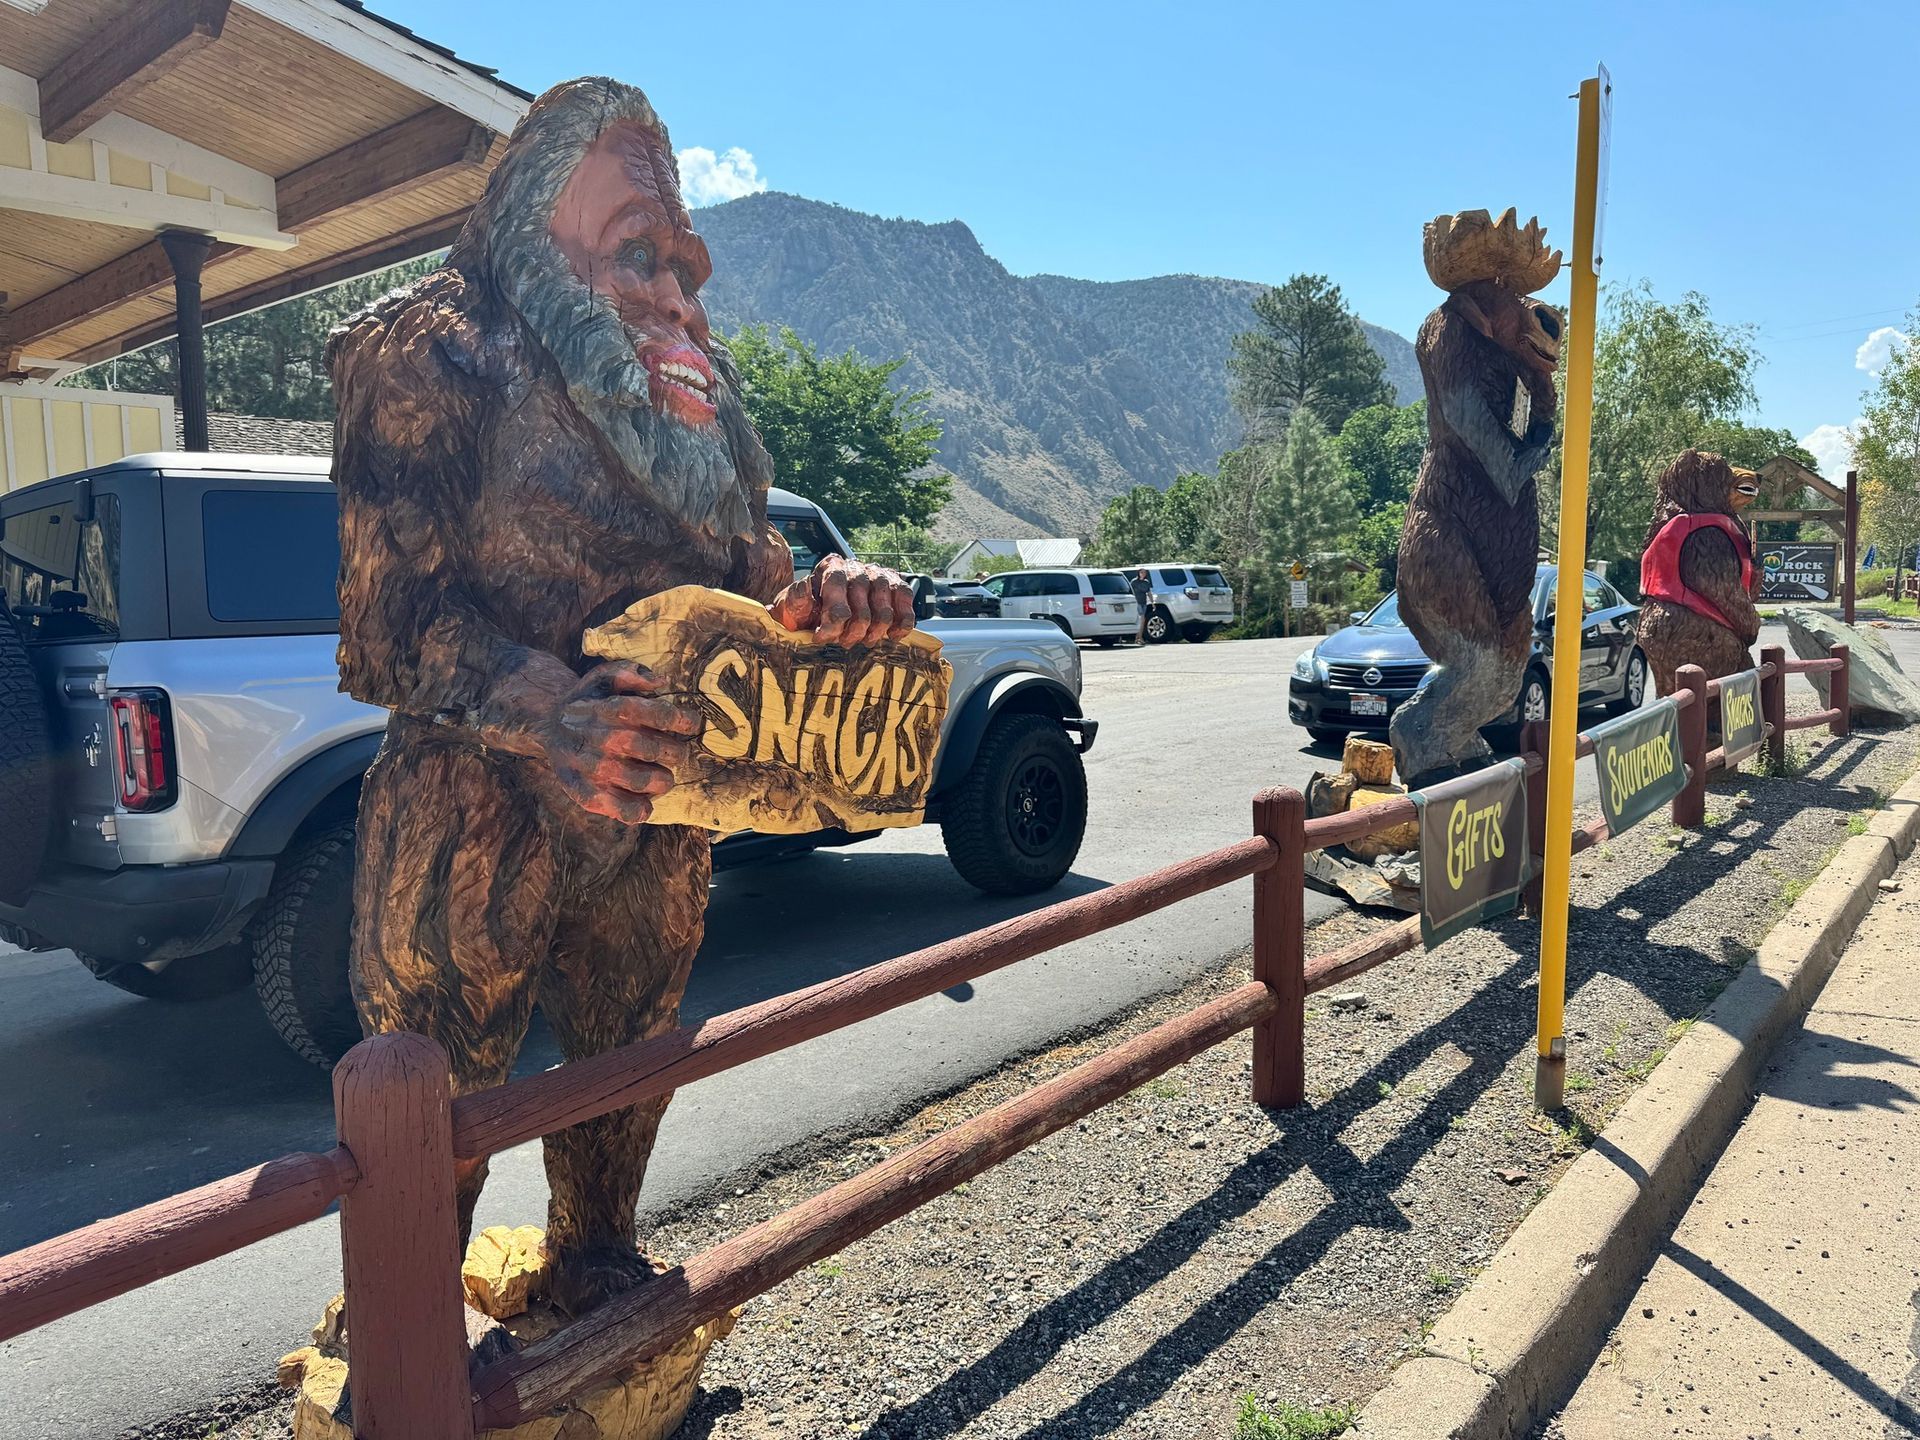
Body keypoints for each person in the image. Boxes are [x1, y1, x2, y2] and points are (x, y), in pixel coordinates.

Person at [1131, 567, 1154, 643]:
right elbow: (1131, 592)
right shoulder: (1134, 582)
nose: (1143, 574)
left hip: (1144, 602)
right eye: (1141, 572)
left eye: (1144, 573)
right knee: (1141, 620)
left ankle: (1137, 637)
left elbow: (1149, 593)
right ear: (1138, 573)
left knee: (1142, 621)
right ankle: (1140, 638)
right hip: (1137, 602)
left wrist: (1152, 602)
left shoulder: (1146, 582)